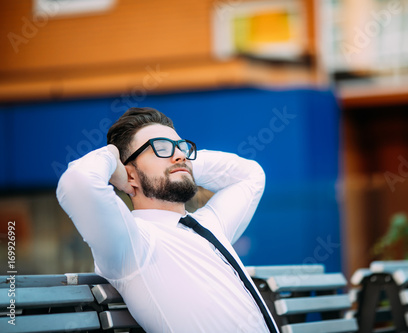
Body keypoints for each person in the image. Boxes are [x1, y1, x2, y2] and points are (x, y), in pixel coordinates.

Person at [56, 107, 278, 332]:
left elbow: (250, 174)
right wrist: (112, 158)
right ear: (129, 173)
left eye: (182, 148)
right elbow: (77, 183)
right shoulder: (131, 241)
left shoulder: (211, 224)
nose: (180, 154)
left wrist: (182, 166)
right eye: (160, 148)